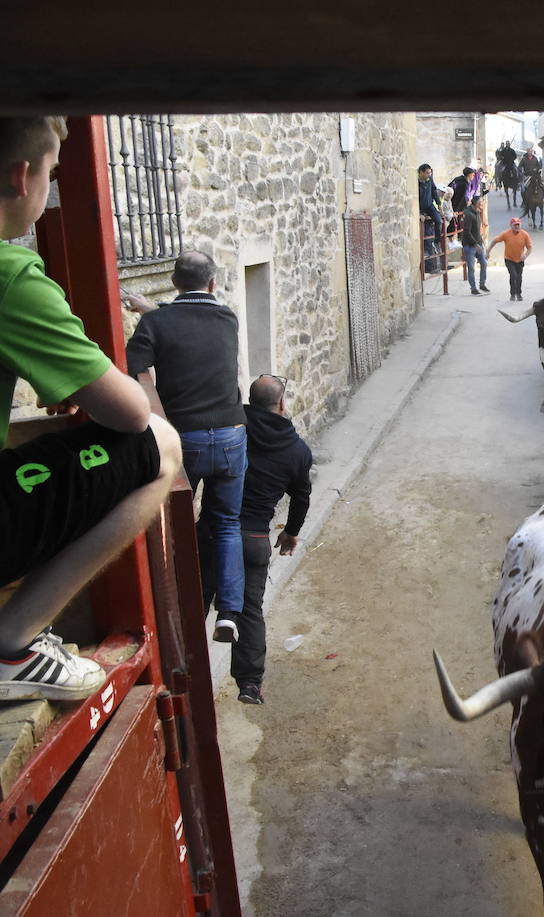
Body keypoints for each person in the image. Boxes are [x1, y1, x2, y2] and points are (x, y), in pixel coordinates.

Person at [0, 115, 182, 700]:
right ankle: (12, 644)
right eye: (52, 172)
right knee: (159, 444)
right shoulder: (11, 277)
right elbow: (127, 413)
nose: (50, 189)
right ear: (19, 176)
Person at [124, 251, 249, 645]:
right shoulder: (227, 318)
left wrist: (149, 316)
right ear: (212, 284)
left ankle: (178, 604)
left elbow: (134, 366)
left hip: (186, 440)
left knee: (173, 524)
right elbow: (189, 318)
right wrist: (153, 312)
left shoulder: (157, 324)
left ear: (175, 283)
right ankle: (229, 613)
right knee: (227, 523)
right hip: (231, 435)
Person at [201, 374, 311, 705]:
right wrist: (290, 532)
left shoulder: (234, 426)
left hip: (211, 532)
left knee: (192, 602)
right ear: (281, 403)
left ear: (250, 400)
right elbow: (302, 496)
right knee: (249, 610)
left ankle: (183, 671)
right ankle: (249, 684)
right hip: (253, 538)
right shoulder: (297, 450)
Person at [486, 217, 533, 301]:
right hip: (509, 259)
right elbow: (495, 241)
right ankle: (512, 294)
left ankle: (518, 294)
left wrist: (525, 255)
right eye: (515, 225)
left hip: (520, 259)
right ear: (511, 226)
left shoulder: (525, 234)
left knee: (519, 277)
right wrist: (488, 251)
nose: (517, 227)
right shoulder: (506, 234)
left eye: (518, 225)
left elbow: (530, 248)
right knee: (513, 275)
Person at [417, 164, 445, 274]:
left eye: (430, 173)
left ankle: (437, 241)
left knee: (438, 220)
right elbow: (414, 198)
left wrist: (439, 205)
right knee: (425, 232)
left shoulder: (430, 180)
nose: (429, 175)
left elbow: (434, 192)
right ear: (421, 172)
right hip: (421, 206)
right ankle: (427, 256)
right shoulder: (416, 182)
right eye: (427, 173)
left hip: (429, 206)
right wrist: (419, 213)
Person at [461, 193, 490, 296]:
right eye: (480, 202)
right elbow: (467, 232)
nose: (481, 204)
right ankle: (473, 288)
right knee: (471, 267)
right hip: (470, 245)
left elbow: (478, 231)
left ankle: (482, 284)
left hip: (477, 243)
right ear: (475, 203)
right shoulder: (468, 214)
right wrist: (475, 244)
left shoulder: (477, 212)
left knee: (484, 263)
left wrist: (482, 244)